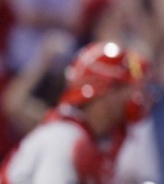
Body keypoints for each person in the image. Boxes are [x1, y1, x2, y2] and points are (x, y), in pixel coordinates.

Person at [0, 41, 151, 184]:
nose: (134, 96)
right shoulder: (63, 138)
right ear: (102, 91)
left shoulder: (104, 140)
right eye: (124, 88)